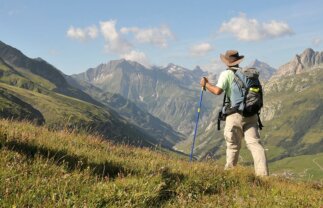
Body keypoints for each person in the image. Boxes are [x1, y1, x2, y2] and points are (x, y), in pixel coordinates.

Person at [200, 50, 268, 176]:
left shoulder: (226, 74)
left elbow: (217, 91)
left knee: (233, 146)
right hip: (251, 114)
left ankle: (229, 175)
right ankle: (263, 176)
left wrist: (206, 84)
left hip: (235, 115)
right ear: (238, 61)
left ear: (226, 62)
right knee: (255, 144)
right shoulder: (247, 74)